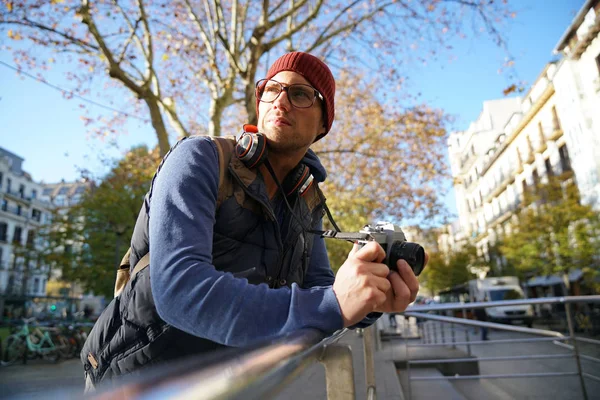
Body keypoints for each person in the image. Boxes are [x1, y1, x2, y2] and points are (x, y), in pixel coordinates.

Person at [81, 51, 427, 389]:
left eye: (301, 94)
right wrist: (335, 303)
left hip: (232, 383)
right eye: (272, 89)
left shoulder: (308, 202)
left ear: (324, 123)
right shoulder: (198, 158)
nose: (281, 101)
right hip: (133, 381)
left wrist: (369, 297)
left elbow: (320, 293)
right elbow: (179, 290)